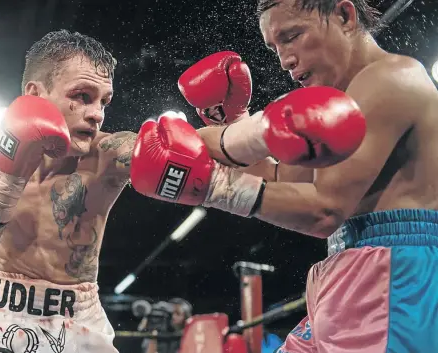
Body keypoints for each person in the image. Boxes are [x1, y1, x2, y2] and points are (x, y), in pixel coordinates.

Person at [129, 0, 438, 352]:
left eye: (292, 36)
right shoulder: (331, 103)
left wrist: (213, 186)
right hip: (352, 271)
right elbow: (284, 183)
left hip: (396, 280)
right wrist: (229, 121)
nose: (284, 59)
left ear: (344, 16)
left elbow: (325, 210)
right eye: (275, 47)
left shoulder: (389, 78)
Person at [0, 30, 138, 353]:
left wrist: (234, 122)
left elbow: (197, 155)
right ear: (34, 93)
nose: (97, 113)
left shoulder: (109, 153)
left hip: (78, 325)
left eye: (104, 101)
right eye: (82, 96)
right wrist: (6, 176)